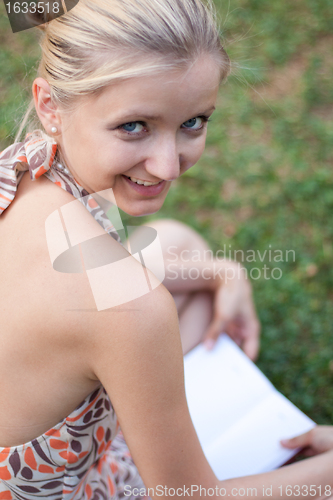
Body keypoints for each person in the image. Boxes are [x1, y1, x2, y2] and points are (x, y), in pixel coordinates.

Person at [0, 0, 332, 499]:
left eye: (194, 122)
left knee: (177, 245)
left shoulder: (22, 168)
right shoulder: (131, 312)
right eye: (134, 126)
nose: (169, 166)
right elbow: (188, 497)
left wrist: (222, 273)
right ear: (51, 105)